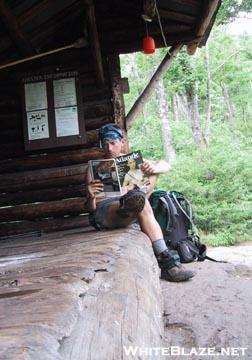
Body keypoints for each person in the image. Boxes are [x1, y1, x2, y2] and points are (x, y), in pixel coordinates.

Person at [86, 123, 195, 282]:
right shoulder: (93, 168)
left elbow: (166, 165)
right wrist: (90, 197)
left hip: (132, 204)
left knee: (146, 188)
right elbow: (90, 209)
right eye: (105, 143)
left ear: (122, 142)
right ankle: (168, 264)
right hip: (105, 211)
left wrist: (154, 168)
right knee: (139, 202)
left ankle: (132, 202)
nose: (109, 148)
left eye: (113, 143)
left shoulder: (131, 162)